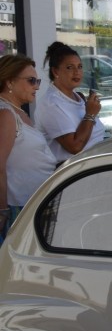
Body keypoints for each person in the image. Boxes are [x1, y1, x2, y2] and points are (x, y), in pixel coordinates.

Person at [0, 56, 58, 242]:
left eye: (38, 81)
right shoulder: (6, 114)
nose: (37, 86)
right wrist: (2, 210)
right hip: (19, 209)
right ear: (9, 81)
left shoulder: (19, 112)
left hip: (36, 203)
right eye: (31, 80)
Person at [35, 42, 105, 163]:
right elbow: (75, 146)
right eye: (69, 67)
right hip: (74, 174)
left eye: (80, 66)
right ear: (55, 72)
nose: (77, 72)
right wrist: (90, 115)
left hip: (95, 165)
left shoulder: (79, 97)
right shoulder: (51, 104)